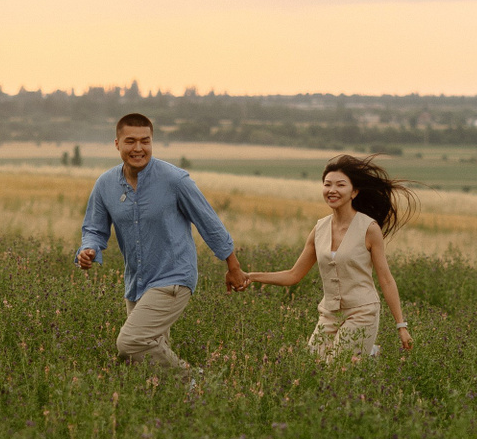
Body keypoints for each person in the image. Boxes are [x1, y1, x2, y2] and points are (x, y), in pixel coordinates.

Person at [77, 112, 248, 375]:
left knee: (131, 343)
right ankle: (186, 398)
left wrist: (233, 266)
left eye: (145, 141)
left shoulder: (175, 180)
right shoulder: (106, 185)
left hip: (173, 276)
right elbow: (94, 229)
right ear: (117, 144)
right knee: (150, 358)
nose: (138, 148)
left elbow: (209, 223)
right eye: (130, 141)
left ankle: (197, 380)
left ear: (152, 142)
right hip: (137, 282)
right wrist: (88, 249)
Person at [245, 154, 414, 360]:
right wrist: (251, 276)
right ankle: (370, 355)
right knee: (312, 366)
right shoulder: (319, 228)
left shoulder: (369, 228)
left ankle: (366, 352)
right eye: (327, 184)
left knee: (339, 368)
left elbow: (386, 279)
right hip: (329, 314)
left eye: (340, 185)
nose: (332, 190)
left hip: (362, 313)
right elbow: (293, 275)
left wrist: (401, 326)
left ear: (354, 192)